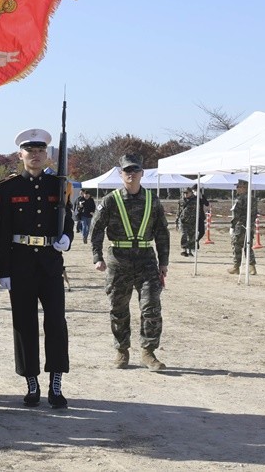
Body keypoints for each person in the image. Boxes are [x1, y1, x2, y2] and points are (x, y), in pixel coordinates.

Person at [0, 129, 73, 409]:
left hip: (51, 263)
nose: (36, 155)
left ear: (48, 154)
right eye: (30, 151)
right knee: (24, 324)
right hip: (21, 263)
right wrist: (2, 270)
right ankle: (31, 381)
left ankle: (55, 382)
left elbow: (68, 219)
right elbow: (2, 232)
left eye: (41, 150)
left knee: (55, 323)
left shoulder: (59, 184)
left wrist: (67, 238)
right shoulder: (8, 188)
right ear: (21, 155)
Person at [89, 153, 170, 371]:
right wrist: (97, 257)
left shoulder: (152, 200)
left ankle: (148, 352)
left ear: (142, 173)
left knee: (151, 306)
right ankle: (121, 350)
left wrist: (164, 262)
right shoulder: (110, 200)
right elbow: (96, 230)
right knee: (118, 307)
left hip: (146, 260)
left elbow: (162, 232)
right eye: (127, 171)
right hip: (118, 260)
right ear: (120, 173)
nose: (131, 174)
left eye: (135, 170)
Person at [229, 179, 258, 275]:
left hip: (240, 226)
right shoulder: (253, 199)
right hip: (250, 226)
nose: (236, 189)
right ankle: (252, 267)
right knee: (248, 246)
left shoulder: (240, 199)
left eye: (238, 187)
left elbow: (236, 214)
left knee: (237, 246)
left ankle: (236, 267)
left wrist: (232, 226)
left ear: (243, 188)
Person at [177, 187, 205, 257]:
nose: (185, 194)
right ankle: (184, 250)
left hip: (193, 221)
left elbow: (200, 210)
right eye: (184, 193)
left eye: (187, 193)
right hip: (183, 221)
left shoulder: (196, 200)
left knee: (192, 236)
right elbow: (179, 211)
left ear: (191, 192)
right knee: (184, 234)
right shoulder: (181, 201)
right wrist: (177, 220)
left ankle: (190, 251)